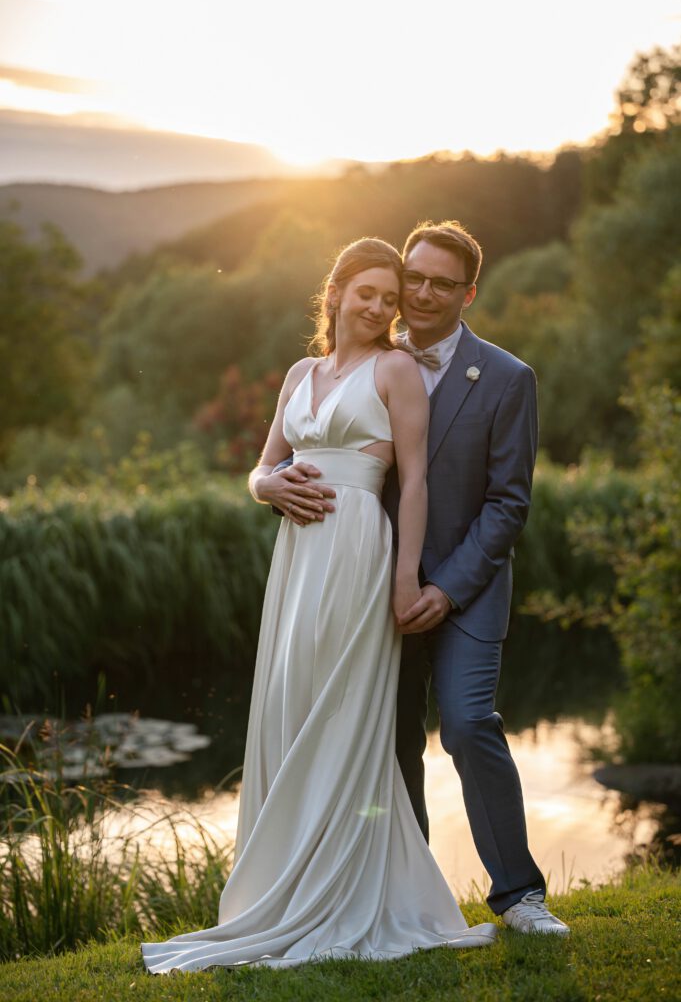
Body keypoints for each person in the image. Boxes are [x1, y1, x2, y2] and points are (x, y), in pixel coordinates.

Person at [141, 238, 497, 975]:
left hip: (357, 551)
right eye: (362, 292)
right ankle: (283, 883)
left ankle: (342, 889)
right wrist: (263, 487)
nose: (375, 307)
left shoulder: (395, 369)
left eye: (387, 299)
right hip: (297, 560)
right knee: (291, 705)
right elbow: (262, 463)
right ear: (332, 292)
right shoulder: (301, 373)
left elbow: (418, 483)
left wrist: (404, 580)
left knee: (340, 711)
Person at [386, 220, 569, 936]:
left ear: (468, 293)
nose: (423, 293)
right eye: (415, 277)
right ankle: (413, 896)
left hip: (466, 590)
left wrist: (446, 587)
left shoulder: (506, 378)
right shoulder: (372, 363)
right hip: (381, 592)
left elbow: (508, 503)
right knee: (392, 738)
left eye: (441, 283)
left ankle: (518, 895)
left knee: (466, 725)